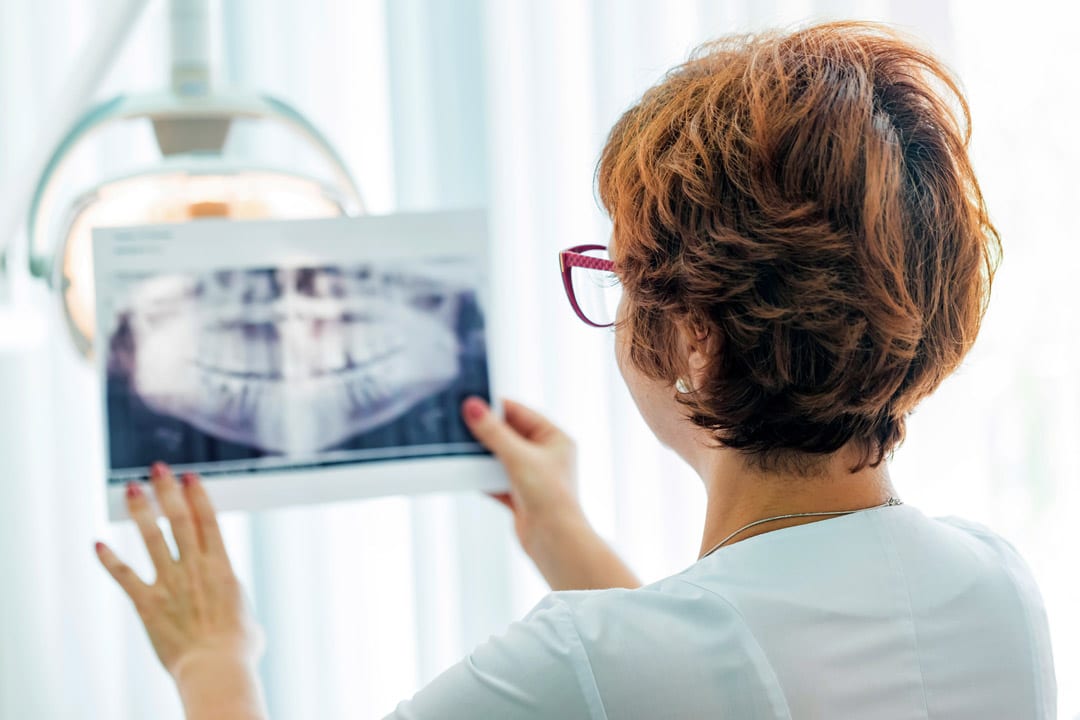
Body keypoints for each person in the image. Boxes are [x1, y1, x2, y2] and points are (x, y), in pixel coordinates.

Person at [94, 20, 1057, 719]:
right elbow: (737, 666)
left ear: (695, 338)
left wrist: (212, 661)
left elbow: (668, 669)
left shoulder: (577, 663)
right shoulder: (997, 592)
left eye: (620, 273)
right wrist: (566, 536)